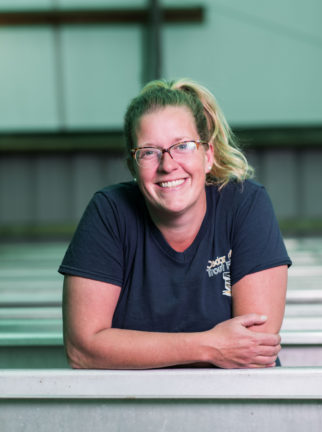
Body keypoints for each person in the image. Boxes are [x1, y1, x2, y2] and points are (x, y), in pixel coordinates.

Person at [58, 78, 291, 369]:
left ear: (208, 156)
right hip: (138, 405)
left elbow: (254, 349)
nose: (167, 165)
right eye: (149, 152)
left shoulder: (246, 204)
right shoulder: (110, 213)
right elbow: (82, 350)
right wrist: (210, 346)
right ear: (132, 166)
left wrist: (128, 347)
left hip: (238, 402)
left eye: (182, 146)